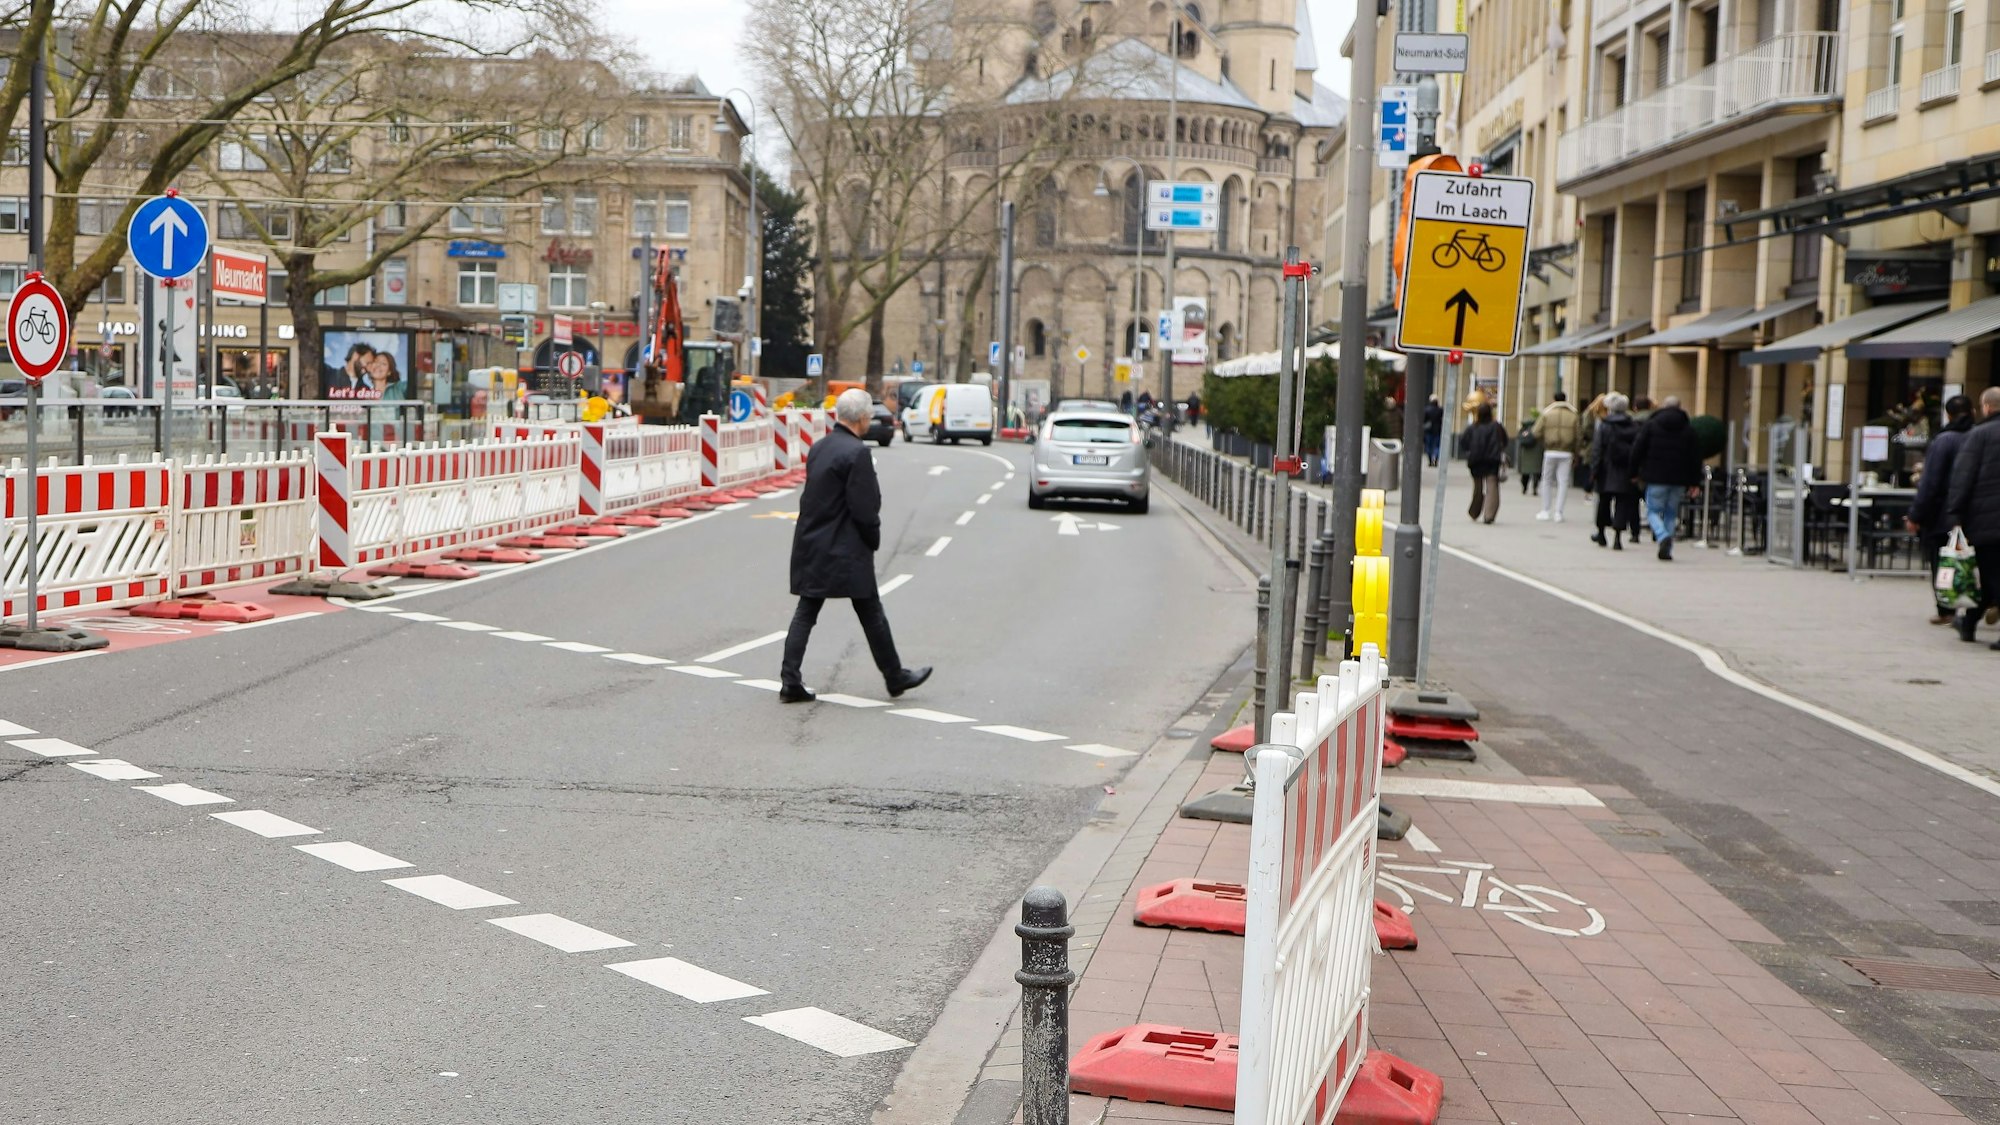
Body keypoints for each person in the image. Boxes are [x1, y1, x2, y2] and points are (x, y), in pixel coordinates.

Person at [780, 389, 932, 701]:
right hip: (845, 547)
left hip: (812, 542)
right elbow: (865, 507)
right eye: (869, 417)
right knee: (871, 611)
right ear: (863, 418)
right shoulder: (857, 453)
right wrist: (873, 537)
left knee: (807, 610)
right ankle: (894, 676)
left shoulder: (820, 447)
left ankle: (789, 679)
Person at [1908, 394, 1975, 625]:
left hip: (1942, 514)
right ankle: (1978, 602)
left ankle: (1946, 607)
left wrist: (1916, 514)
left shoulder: (1944, 441)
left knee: (1942, 561)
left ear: (1948, 415)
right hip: (1975, 514)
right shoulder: (1977, 437)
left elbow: (1931, 482)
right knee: (1974, 559)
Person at [1945, 387, 2000, 648]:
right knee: (1990, 576)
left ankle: (1968, 622)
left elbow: (1963, 477)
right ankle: (1968, 622)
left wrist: (1955, 513)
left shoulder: (1979, 435)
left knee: (1990, 574)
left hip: (1986, 520)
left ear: (1987, 407)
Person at [1629, 395, 1703, 560]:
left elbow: (1637, 449)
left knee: (1653, 511)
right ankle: (1667, 545)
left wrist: (1633, 472)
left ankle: (1662, 536)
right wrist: (1694, 482)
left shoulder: (1651, 425)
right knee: (1671, 512)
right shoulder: (1688, 429)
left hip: (1655, 476)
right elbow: (1695, 457)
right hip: (1678, 478)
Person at [1590, 392, 1642, 549]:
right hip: (1626, 471)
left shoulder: (1604, 425)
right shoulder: (1633, 426)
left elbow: (1597, 449)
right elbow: (1637, 450)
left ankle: (1601, 533)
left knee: (1603, 503)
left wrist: (1594, 470)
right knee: (1622, 504)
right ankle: (1618, 537)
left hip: (1606, 469)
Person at [1531, 392, 1584, 522]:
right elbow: (1579, 437)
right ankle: (1559, 512)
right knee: (1563, 482)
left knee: (1547, 480)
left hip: (1550, 451)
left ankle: (1545, 510)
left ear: (1554, 399)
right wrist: (1576, 453)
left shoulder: (1547, 414)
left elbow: (1535, 432)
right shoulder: (1573, 415)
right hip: (1567, 452)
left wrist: (1544, 441)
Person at [1460, 402, 1509, 524]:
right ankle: (1489, 514)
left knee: (1477, 487)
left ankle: (1474, 512)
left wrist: (1469, 451)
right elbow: (1505, 440)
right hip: (1492, 460)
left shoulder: (1473, 427)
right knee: (1492, 486)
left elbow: (1463, 442)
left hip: (1476, 460)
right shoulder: (1496, 426)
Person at [1513, 417, 1543, 497]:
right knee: (1536, 473)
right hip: (1537, 455)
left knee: (1525, 473)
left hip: (1525, 455)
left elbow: (1519, 439)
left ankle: (1524, 488)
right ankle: (1535, 488)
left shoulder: (1523, 431)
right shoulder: (1538, 430)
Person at [1422, 396, 1443, 467]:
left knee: (1429, 446)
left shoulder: (1427, 410)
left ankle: (1430, 460)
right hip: (1437, 431)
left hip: (1429, 431)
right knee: (1437, 446)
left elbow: (1424, 420)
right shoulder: (1440, 410)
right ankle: (1436, 459)